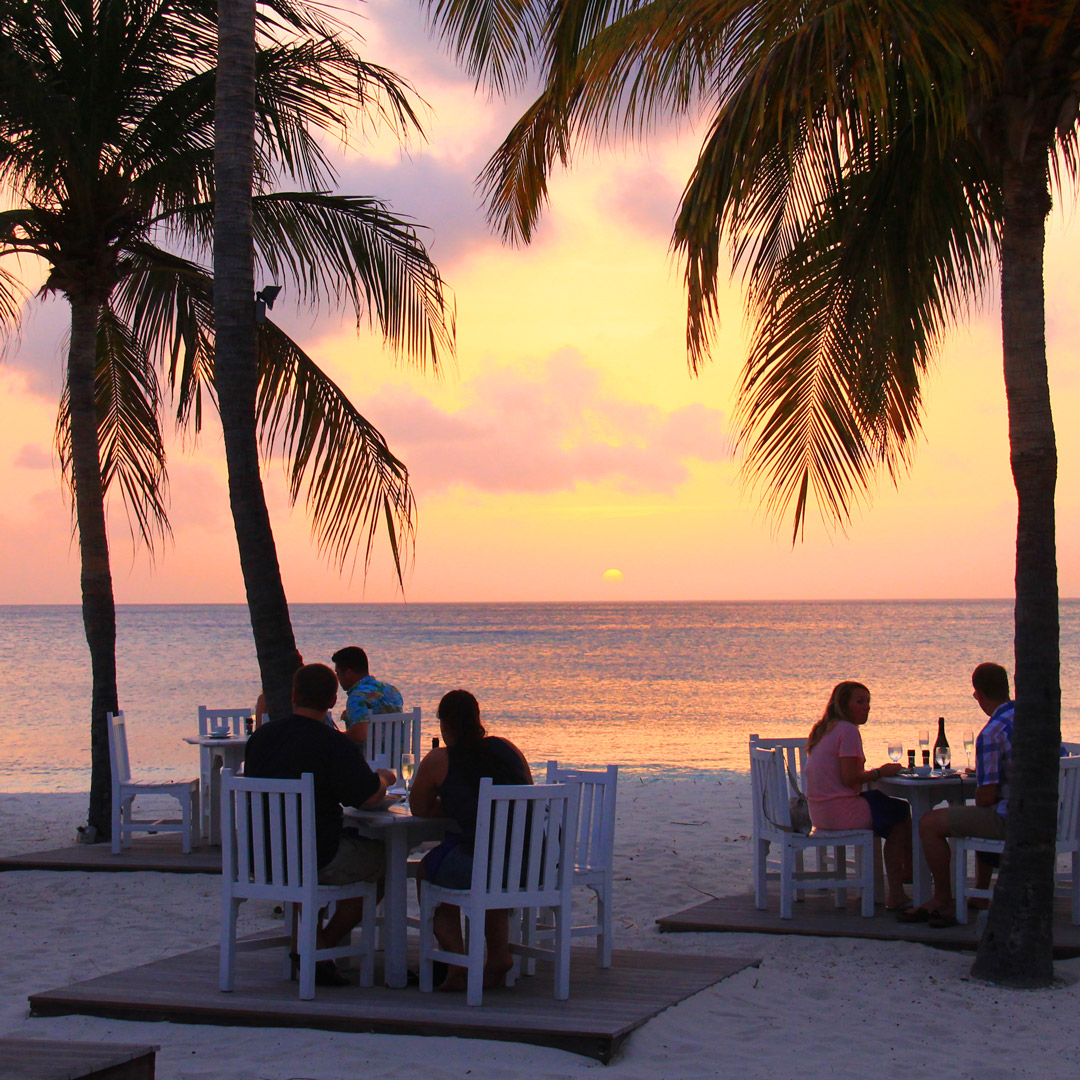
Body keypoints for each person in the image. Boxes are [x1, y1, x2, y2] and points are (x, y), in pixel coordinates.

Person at [244, 662, 396, 985]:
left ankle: (314, 946)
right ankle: (323, 943)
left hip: (263, 858)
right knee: (385, 861)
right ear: (332, 702)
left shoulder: (260, 740)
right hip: (316, 857)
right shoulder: (333, 743)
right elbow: (367, 797)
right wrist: (384, 777)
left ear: (294, 694)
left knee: (319, 857)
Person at [409, 689, 532, 992]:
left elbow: (419, 808)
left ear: (444, 725)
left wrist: (449, 802)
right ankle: (499, 955)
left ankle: (455, 963)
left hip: (487, 861)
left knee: (428, 872)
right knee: (487, 868)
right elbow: (527, 791)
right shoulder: (509, 749)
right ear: (478, 719)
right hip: (530, 862)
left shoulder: (441, 759)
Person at [898, 662, 1014, 928]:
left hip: (1014, 820)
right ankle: (981, 894)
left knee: (929, 822)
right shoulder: (1036, 719)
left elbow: (984, 798)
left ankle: (942, 898)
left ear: (978, 694)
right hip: (1054, 817)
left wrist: (991, 784)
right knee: (980, 814)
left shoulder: (993, 732)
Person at [804, 680, 913, 911]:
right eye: (860, 702)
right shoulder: (848, 730)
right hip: (839, 812)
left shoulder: (825, 728)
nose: (866, 707)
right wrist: (879, 772)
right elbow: (850, 778)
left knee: (887, 806)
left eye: (868, 702)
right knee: (900, 813)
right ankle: (898, 890)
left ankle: (905, 875)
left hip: (820, 812)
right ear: (844, 705)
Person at [331, 646, 403, 746]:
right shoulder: (391, 690)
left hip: (370, 759)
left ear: (348, 673)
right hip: (397, 757)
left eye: (338, 674)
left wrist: (332, 736)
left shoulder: (357, 697)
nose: (338, 679)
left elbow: (359, 735)